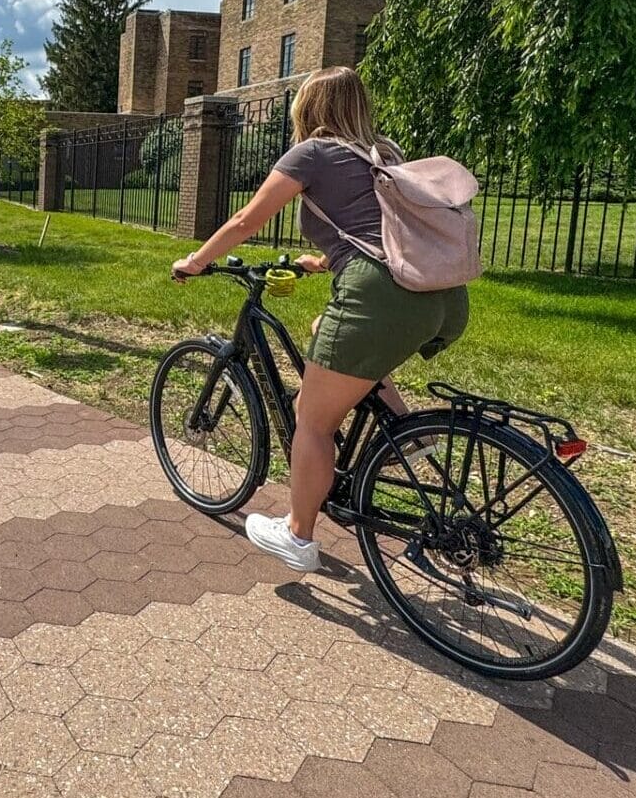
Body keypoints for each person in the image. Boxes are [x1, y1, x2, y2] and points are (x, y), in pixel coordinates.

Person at [169, 66, 468, 571]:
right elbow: (383, 226)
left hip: (382, 297)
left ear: (308, 110)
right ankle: (411, 435)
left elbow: (247, 219)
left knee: (312, 417)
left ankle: (298, 534)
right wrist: (326, 260)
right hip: (442, 296)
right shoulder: (384, 153)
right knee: (332, 340)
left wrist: (195, 261)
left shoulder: (312, 153)